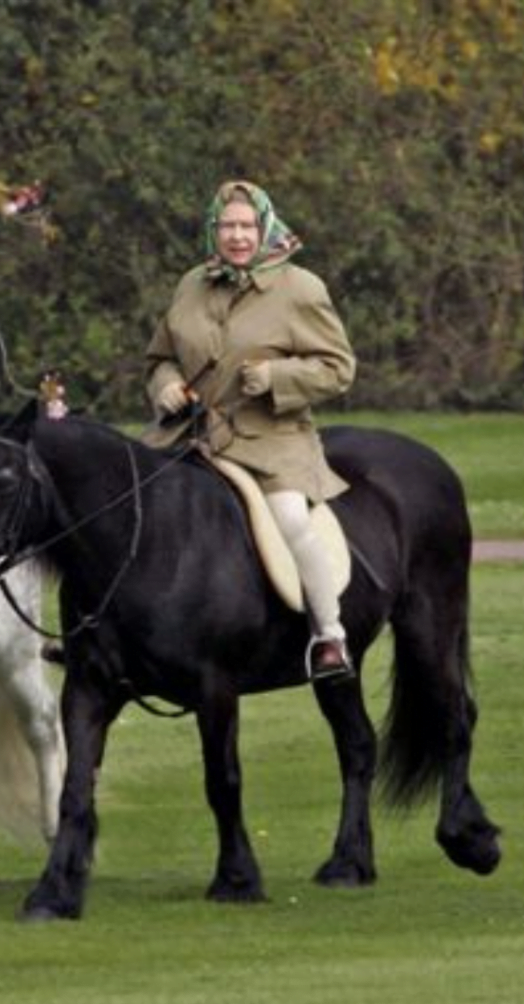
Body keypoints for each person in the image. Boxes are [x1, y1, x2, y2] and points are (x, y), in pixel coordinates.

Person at [144, 179, 357, 681]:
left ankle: (330, 637)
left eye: (247, 226)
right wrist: (167, 385)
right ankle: (108, 637)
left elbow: (338, 367)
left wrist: (277, 378)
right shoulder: (191, 283)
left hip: (274, 440)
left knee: (290, 520)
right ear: (212, 229)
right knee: (128, 506)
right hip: (191, 436)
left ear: (265, 227)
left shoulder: (301, 288)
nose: (237, 236)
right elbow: (160, 358)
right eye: (227, 226)